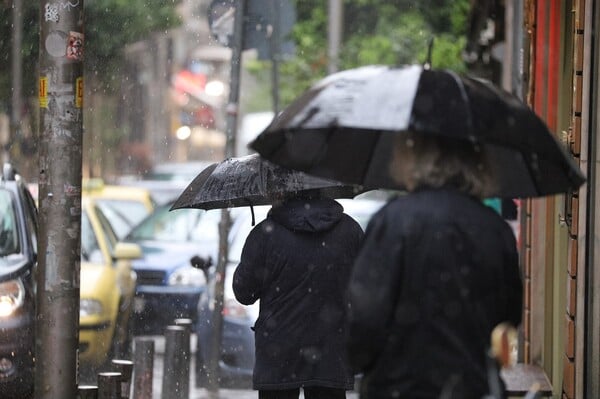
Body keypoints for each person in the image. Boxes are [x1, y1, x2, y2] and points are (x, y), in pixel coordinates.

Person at [345, 133, 523, 399]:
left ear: (413, 159)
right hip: (471, 387)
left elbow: (366, 317)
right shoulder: (495, 229)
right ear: (477, 163)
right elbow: (508, 316)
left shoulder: (392, 222)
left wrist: (361, 360)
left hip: (398, 387)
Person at [233, 193, 364, 399]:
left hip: (278, 351)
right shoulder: (350, 230)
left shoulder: (265, 234)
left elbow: (243, 293)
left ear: (281, 191)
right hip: (331, 349)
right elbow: (365, 289)